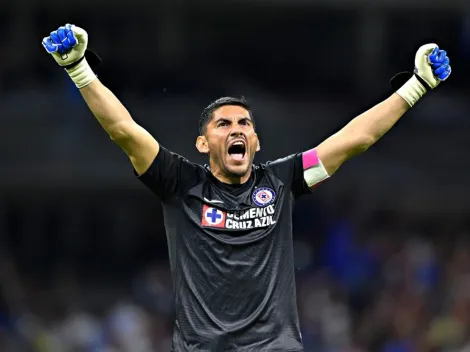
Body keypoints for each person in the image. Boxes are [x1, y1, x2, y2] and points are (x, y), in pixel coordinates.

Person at [42, 24, 451, 351]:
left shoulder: (282, 180)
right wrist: (80, 68)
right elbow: (124, 130)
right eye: (224, 124)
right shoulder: (179, 182)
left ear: (255, 143)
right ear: (203, 143)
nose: (236, 129)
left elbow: (353, 139)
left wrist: (414, 86)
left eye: (245, 125)